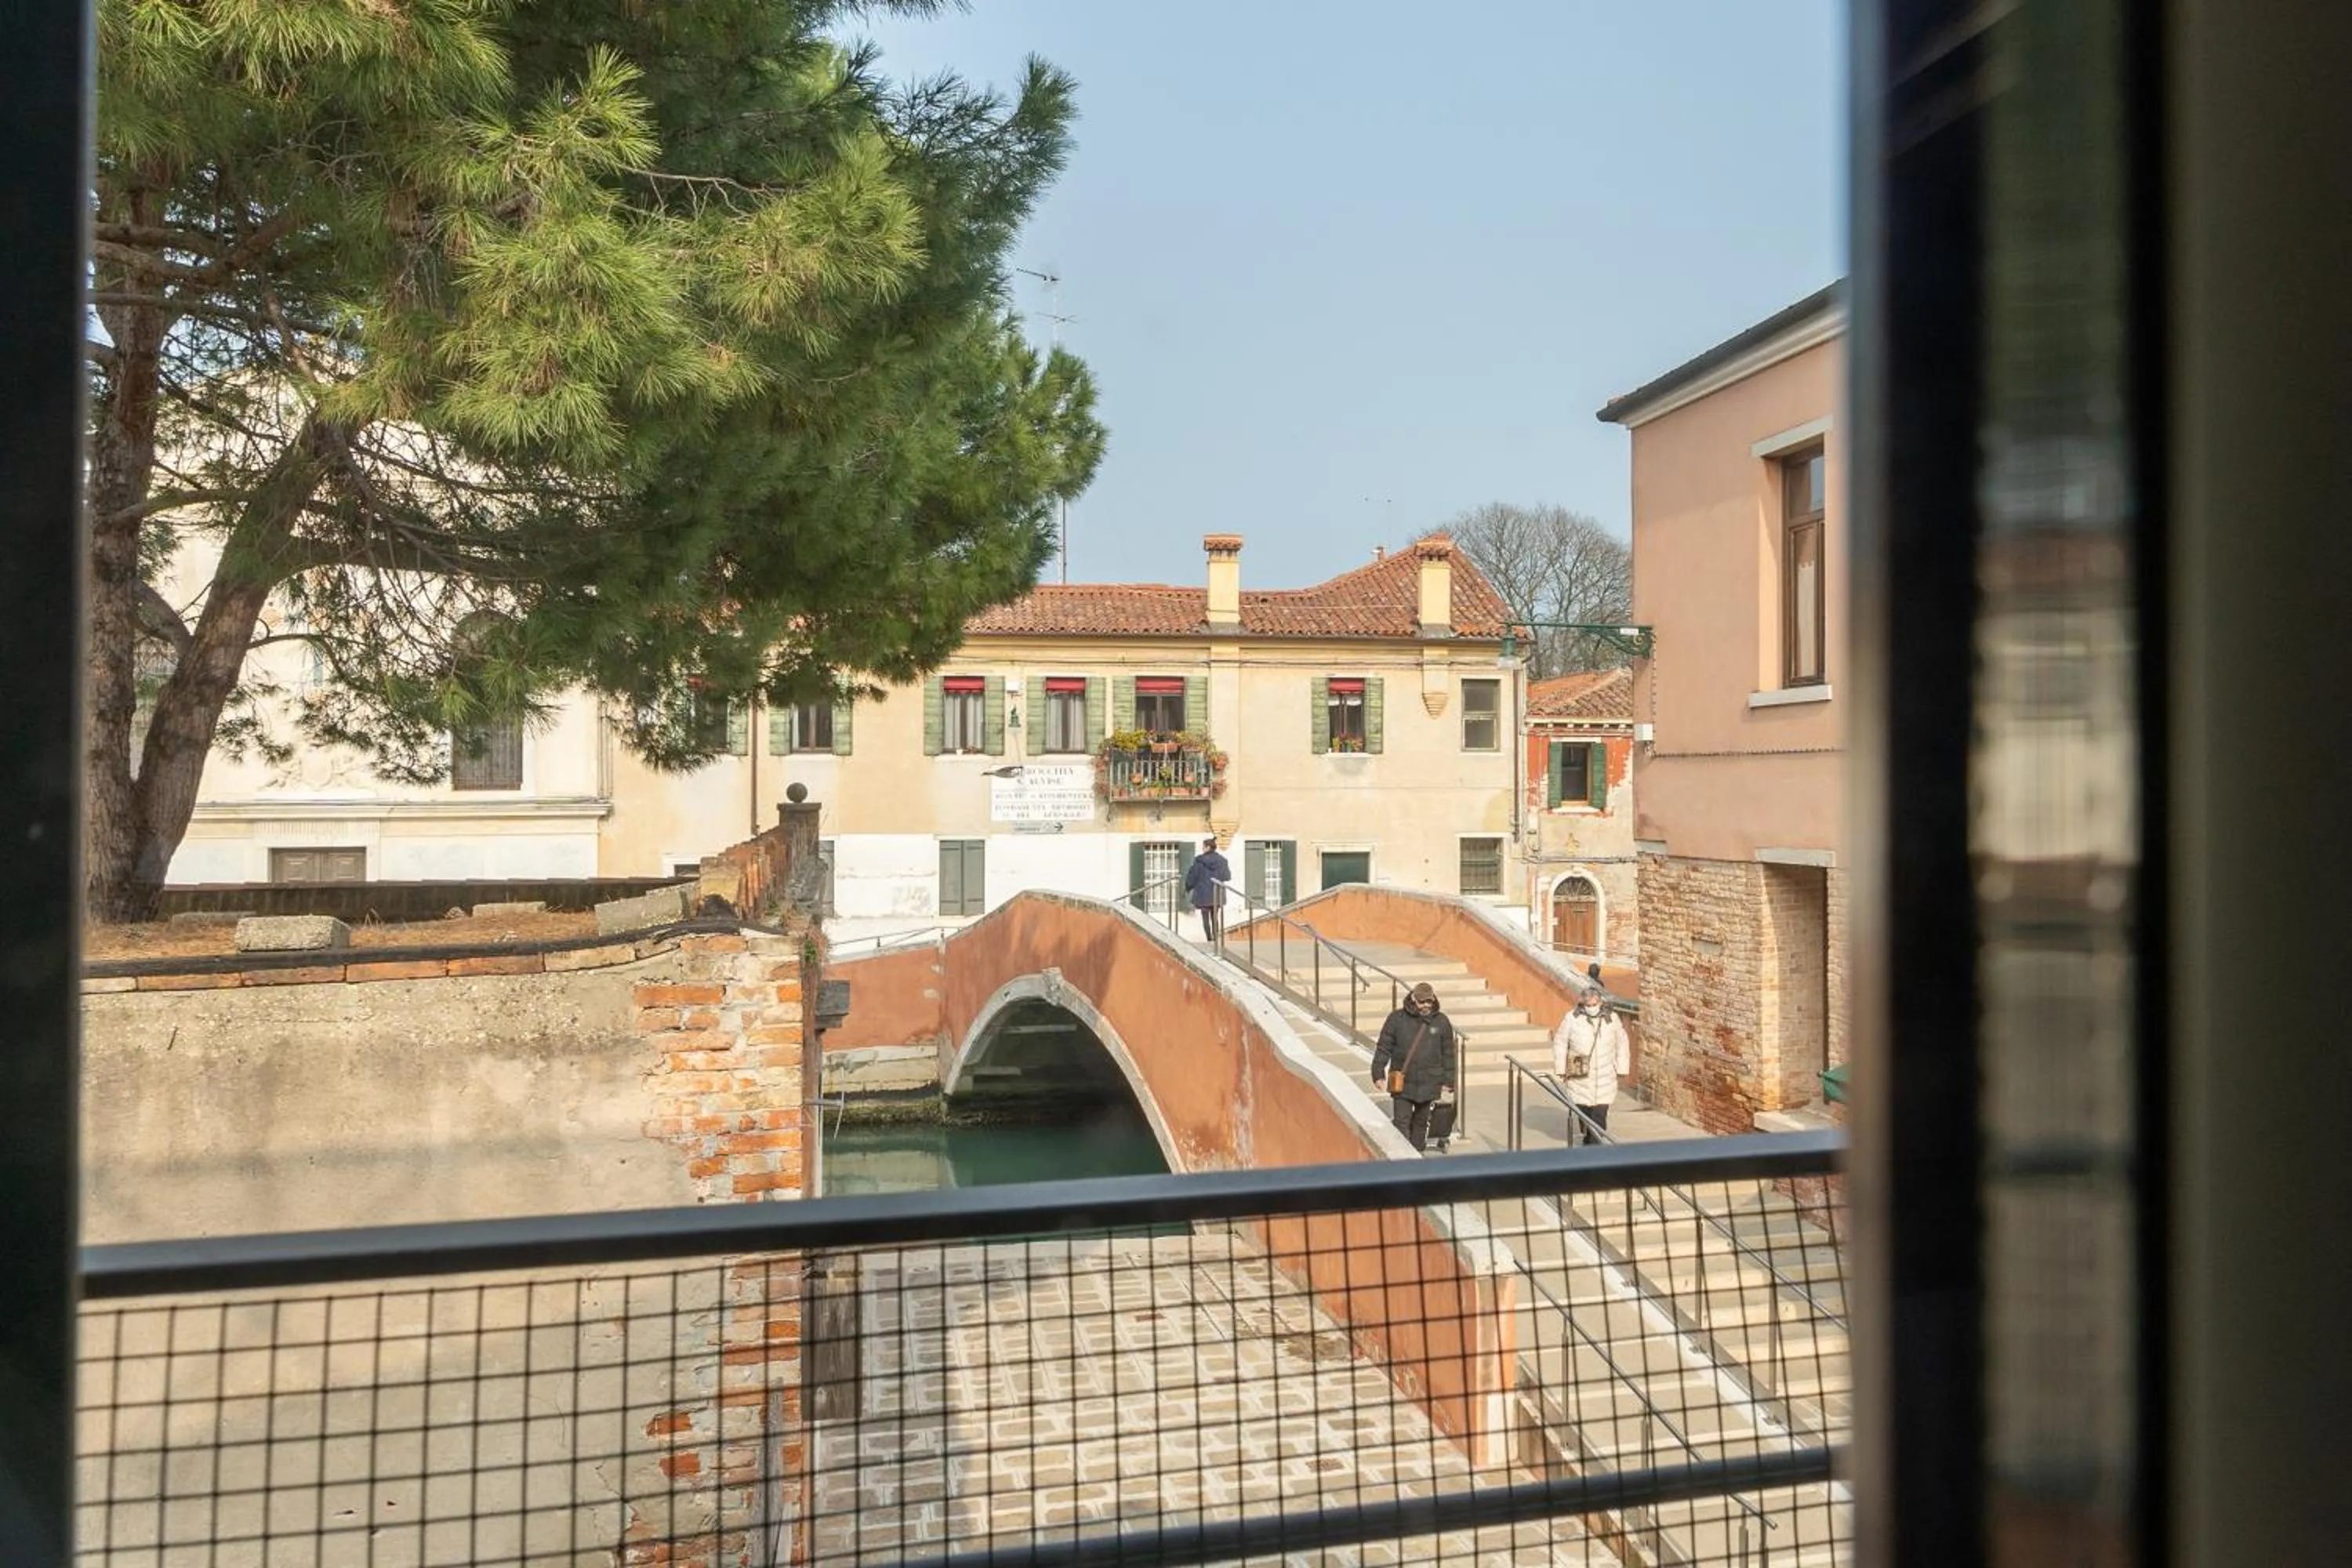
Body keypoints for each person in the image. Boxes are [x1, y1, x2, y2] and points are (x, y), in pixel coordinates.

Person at [1370, 982, 1457, 1152]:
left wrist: (1449, 1080)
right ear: (1413, 999)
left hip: (1429, 1080)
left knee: (1421, 1122)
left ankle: (1416, 1154)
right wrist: (1378, 1073)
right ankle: (1404, 1156)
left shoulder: (1441, 1022)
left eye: (1429, 1002)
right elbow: (1384, 1047)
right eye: (1422, 1002)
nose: (1425, 1005)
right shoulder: (1396, 1019)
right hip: (1403, 1080)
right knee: (1401, 1121)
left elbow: (1448, 1053)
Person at [1553, 982, 1632, 1141]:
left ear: (1600, 1002)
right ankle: (1589, 1135)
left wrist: (1622, 1067)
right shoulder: (1572, 1018)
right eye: (1588, 1004)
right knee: (1583, 1109)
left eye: (1594, 1004)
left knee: (1599, 1113)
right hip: (1580, 1072)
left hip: (1605, 1074)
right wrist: (1560, 1068)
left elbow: (1622, 1042)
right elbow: (1560, 1042)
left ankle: (1595, 1144)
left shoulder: (1612, 1019)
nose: (1591, 1007)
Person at [1183, 835, 1232, 944]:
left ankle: (1209, 939)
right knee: (1215, 917)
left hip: (1203, 893)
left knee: (1205, 918)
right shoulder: (1222, 861)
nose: (1202, 849)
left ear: (1208, 847)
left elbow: (1192, 876)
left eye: (1203, 847)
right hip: (1217, 893)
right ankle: (1216, 940)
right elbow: (1227, 877)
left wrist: (1187, 887)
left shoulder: (1199, 861)